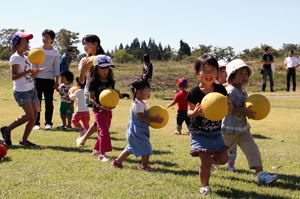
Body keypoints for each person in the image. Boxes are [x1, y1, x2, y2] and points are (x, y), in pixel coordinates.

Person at [221, 59, 278, 185]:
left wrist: (250, 112)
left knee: (253, 150)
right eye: (240, 73)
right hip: (229, 129)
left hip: (242, 129)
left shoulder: (242, 90)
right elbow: (229, 110)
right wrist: (244, 111)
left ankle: (261, 174)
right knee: (220, 155)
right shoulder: (230, 91)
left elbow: (245, 107)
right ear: (231, 76)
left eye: (246, 74)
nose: (244, 76)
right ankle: (207, 165)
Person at [187, 55, 230, 195]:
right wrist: (196, 113)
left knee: (224, 159)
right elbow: (188, 112)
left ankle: (209, 164)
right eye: (204, 70)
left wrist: (228, 107)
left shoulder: (221, 90)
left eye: (212, 70)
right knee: (205, 162)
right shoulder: (194, 92)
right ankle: (205, 186)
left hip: (216, 132)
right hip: (199, 133)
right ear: (197, 73)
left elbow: (226, 108)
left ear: (217, 72)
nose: (208, 74)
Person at [0, 32, 44, 146]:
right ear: (17, 43)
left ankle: (24, 140)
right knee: (30, 115)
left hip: (31, 89)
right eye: (24, 41)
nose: (27, 44)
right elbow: (14, 77)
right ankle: (7, 130)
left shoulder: (26, 57)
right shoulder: (15, 58)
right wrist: (28, 71)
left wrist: (34, 74)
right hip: (21, 92)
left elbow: (28, 76)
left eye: (27, 41)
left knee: (35, 115)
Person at [112, 78, 163, 170]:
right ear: (138, 91)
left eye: (149, 89)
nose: (149, 91)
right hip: (137, 131)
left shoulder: (140, 102)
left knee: (131, 147)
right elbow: (141, 118)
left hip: (136, 131)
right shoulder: (138, 104)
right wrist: (154, 119)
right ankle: (144, 165)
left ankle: (118, 161)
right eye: (146, 90)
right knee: (147, 147)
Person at [76, 35, 105, 147]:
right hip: (92, 92)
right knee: (101, 119)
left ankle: (85, 139)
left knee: (101, 119)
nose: (84, 46)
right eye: (83, 44)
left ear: (95, 44)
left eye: (87, 43)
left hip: (104, 91)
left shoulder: (103, 58)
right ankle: (99, 146)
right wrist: (83, 69)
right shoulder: (84, 60)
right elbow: (82, 81)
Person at [88, 55, 116, 162]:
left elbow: (111, 95)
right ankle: (101, 154)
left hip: (108, 110)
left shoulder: (110, 81)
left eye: (107, 68)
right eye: (102, 68)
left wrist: (117, 96)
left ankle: (95, 149)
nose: (105, 70)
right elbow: (91, 98)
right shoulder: (93, 82)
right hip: (98, 110)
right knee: (104, 131)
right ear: (96, 69)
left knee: (104, 131)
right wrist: (99, 106)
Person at [32, 29, 60, 130]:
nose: (44, 39)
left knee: (49, 102)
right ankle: (36, 123)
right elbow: (33, 65)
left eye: (47, 37)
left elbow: (57, 68)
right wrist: (33, 78)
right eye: (43, 36)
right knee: (37, 102)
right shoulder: (37, 49)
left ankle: (48, 123)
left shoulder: (55, 52)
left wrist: (57, 82)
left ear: (52, 39)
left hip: (49, 80)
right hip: (37, 80)